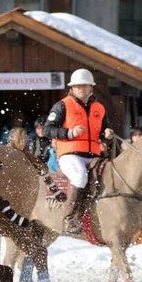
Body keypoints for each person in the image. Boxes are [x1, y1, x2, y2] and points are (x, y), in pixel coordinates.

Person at [44, 68, 114, 235]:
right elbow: (48, 129)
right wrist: (69, 133)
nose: (81, 89)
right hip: (70, 154)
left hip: (94, 155)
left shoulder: (99, 108)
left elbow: (105, 128)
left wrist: (107, 134)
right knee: (80, 177)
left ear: (91, 88)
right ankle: (69, 219)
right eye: (78, 86)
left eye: (85, 86)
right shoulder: (62, 105)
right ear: (72, 88)